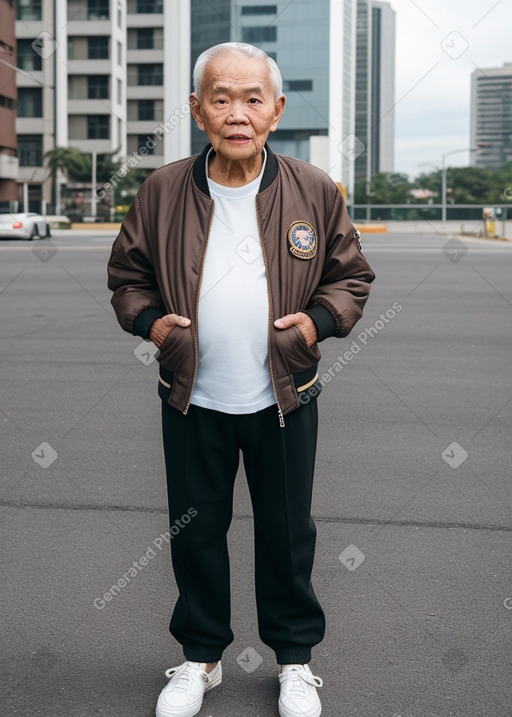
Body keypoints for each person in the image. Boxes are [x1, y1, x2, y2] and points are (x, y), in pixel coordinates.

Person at [107, 41, 375, 717]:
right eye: (220, 97)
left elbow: (351, 276)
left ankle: (294, 661)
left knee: (288, 534)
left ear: (276, 109)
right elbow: (127, 276)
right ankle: (200, 658)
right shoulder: (163, 190)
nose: (237, 112)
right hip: (191, 398)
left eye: (252, 98)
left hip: (285, 399)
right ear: (198, 110)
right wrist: (155, 328)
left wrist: (315, 323)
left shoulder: (313, 189)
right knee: (195, 531)